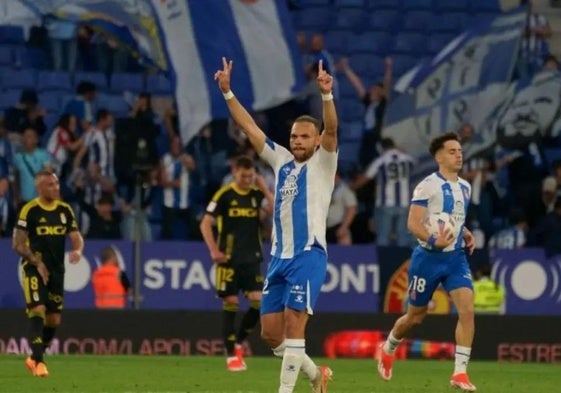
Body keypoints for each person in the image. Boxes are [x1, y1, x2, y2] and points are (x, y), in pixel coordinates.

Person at [215, 57, 337, 393]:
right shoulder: (280, 159)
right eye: (294, 136)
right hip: (279, 258)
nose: (297, 141)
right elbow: (250, 128)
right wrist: (227, 92)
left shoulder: (324, 162)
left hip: (308, 254)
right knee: (271, 333)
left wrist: (327, 96)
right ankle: (316, 376)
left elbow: (333, 130)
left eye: (304, 137)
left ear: (316, 141)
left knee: (296, 324)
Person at [376, 132, 477, 391]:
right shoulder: (427, 186)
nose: (459, 155)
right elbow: (413, 223)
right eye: (452, 151)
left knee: (466, 310)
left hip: (455, 259)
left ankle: (459, 373)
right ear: (439, 156)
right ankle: (387, 348)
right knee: (415, 316)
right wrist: (434, 241)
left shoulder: (465, 187)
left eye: (460, 151)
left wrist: (464, 233)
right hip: (427, 259)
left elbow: (455, 219)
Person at [200, 155, 273, 371]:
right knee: (231, 302)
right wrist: (213, 249)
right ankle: (231, 354)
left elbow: (275, 209)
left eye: (251, 176)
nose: (248, 180)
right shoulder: (224, 195)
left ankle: (239, 341)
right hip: (228, 260)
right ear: (235, 172)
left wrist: (264, 187)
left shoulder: (255, 195)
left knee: (258, 302)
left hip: (252, 259)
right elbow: (205, 223)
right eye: (244, 176)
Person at [12, 170, 84, 377]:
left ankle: (33, 357)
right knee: (38, 310)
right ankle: (40, 364)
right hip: (33, 267)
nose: (55, 188)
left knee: (53, 320)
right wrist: (37, 262)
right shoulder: (30, 210)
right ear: (40, 188)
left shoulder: (65, 210)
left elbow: (76, 236)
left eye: (56, 183)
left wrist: (78, 250)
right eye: (50, 185)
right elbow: (17, 244)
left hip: (56, 270)